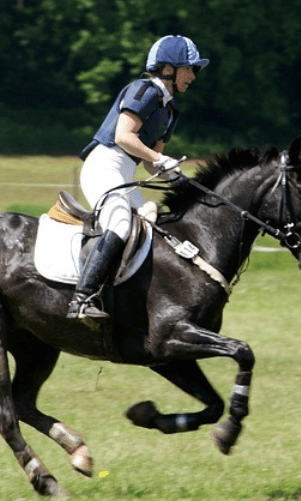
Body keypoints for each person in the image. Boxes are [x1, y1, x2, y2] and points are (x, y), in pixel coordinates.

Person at [67, 35, 209, 320]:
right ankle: (81, 299)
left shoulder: (169, 112)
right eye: (189, 68)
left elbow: (148, 163)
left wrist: (171, 173)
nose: (193, 77)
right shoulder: (144, 90)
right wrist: (158, 158)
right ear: (168, 67)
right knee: (119, 224)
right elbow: (123, 136)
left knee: (150, 221)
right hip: (104, 165)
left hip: (126, 173)